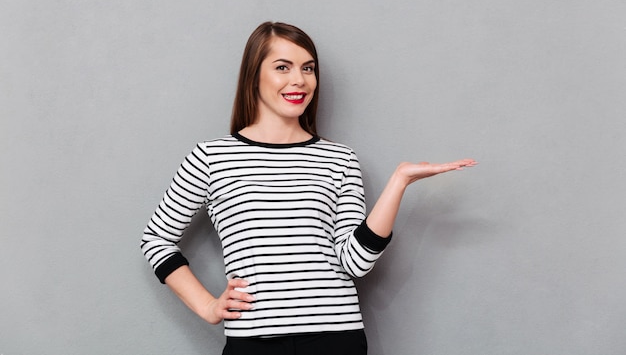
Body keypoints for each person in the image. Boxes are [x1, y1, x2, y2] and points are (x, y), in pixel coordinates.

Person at [141, 21, 476, 355]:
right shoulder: (211, 158)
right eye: (282, 67)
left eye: (308, 68)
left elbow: (355, 263)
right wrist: (208, 307)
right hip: (254, 343)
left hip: (337, 339)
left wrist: (399, 182)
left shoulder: (339, 159)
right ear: (254, 75)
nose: (299, 80)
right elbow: (156, 240)